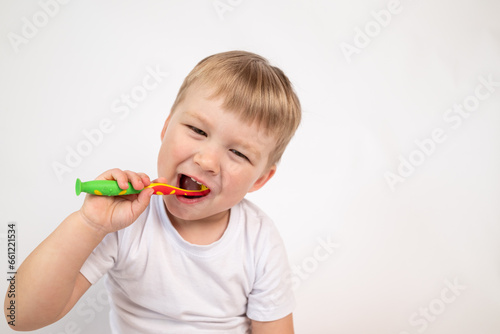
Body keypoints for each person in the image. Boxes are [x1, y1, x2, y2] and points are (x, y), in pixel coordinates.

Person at [5, 50, 301, 333]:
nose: (206, 160)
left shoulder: (259, 239)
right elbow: (20, 315)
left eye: (237, 152)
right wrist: (89, 224)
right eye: (198, 130)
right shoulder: (126, 221)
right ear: (165, 127)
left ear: (260, 179)